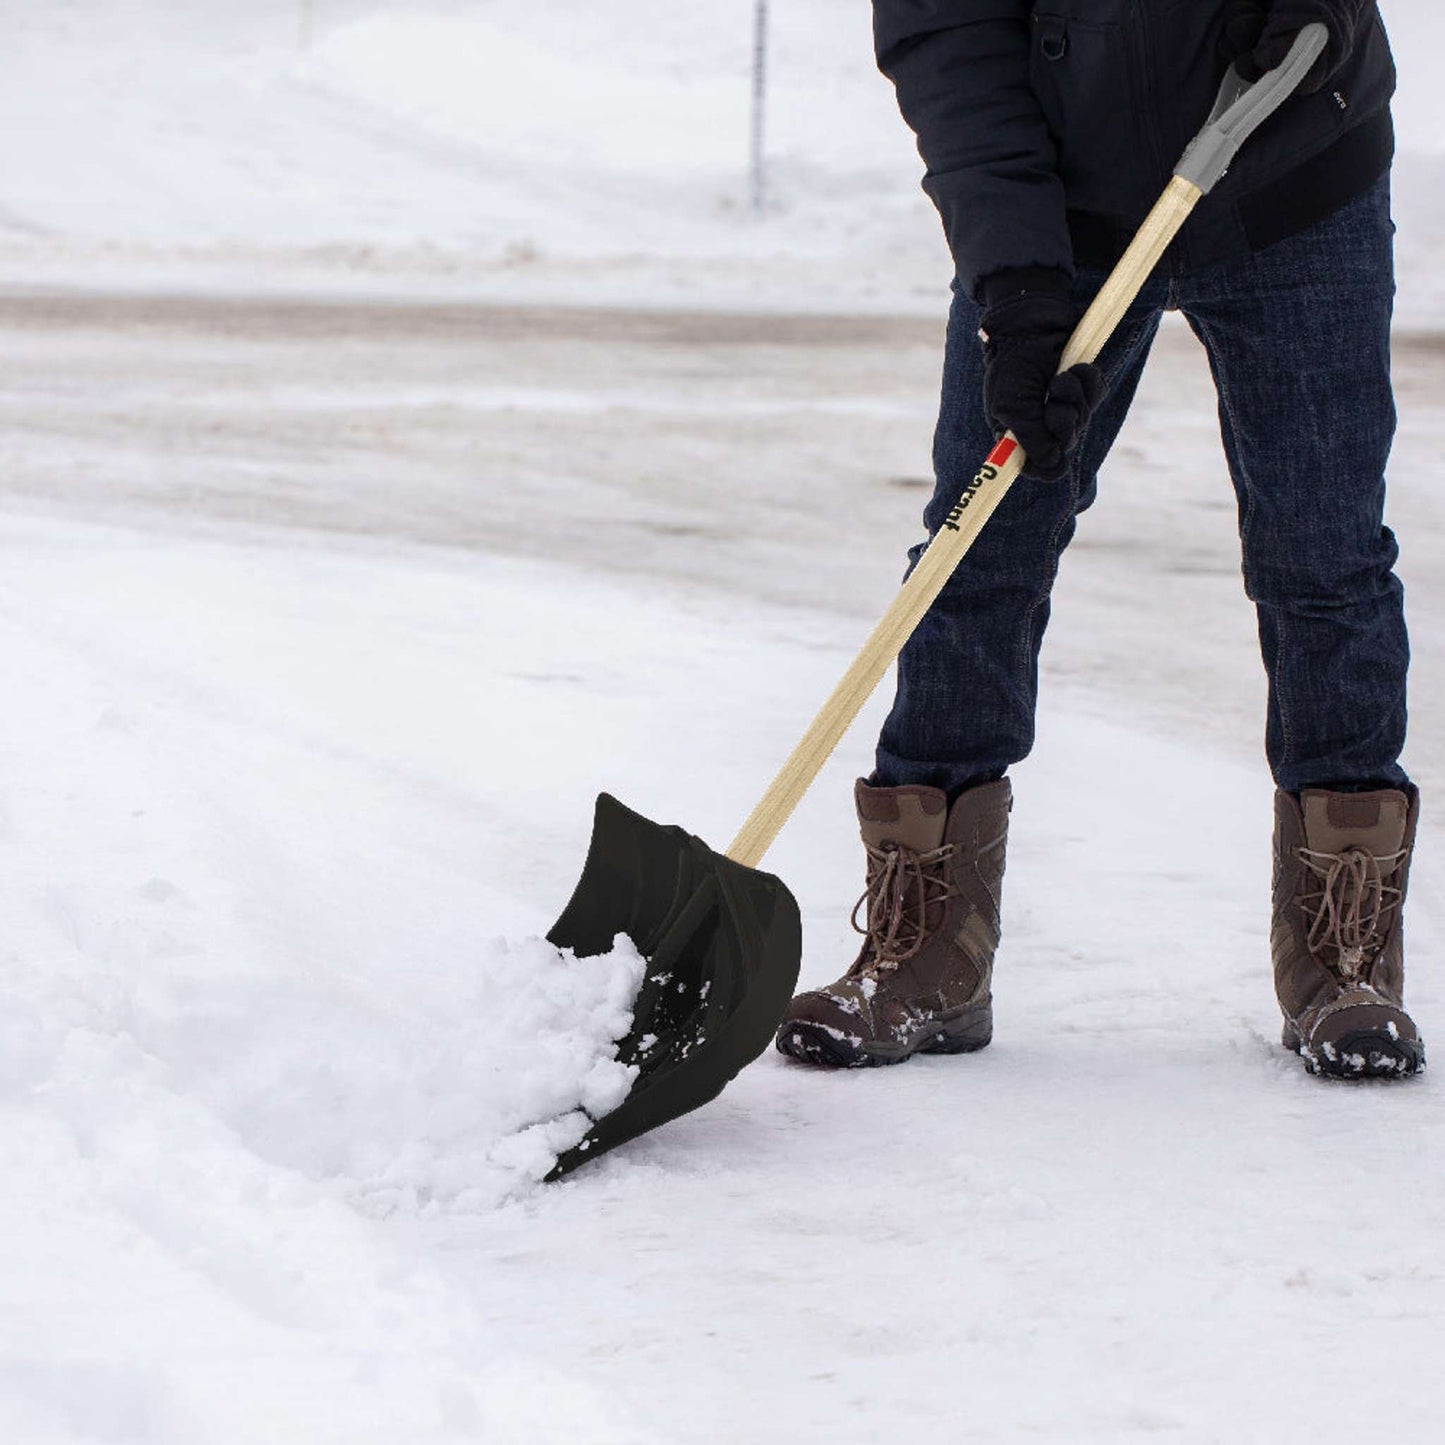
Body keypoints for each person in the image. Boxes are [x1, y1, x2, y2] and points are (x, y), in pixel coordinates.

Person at [774, 1, 1423, 1079]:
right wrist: (1018, 290)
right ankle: (926, 947)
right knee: (978, 540)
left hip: (1290, 164)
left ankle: (1344, 953)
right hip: (1066, 209)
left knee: (1322, 546)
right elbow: (949, 49)